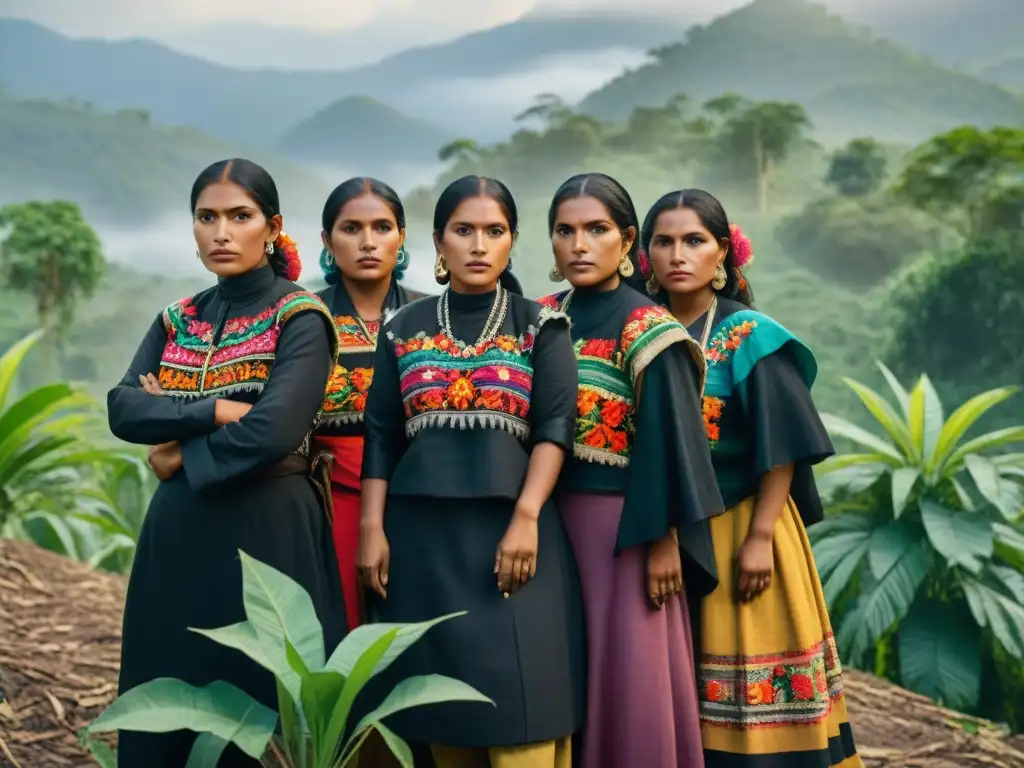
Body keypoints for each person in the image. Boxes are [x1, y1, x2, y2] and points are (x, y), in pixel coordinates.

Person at [107, 158, 347, 767]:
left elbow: (275, 431)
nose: (221, 232)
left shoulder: (301, 317)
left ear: (272, 228)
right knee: (170, 688)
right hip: (179, 536)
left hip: (268, 532)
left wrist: (176, 451)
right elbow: (123, 409)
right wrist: (214, 412)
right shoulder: (176, 319)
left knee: (257, 704)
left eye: (239, 217)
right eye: (207, 217)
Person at [357, 175, 585, 768]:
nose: (479, 245)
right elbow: (381, 432)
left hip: (513, 542)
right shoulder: (400, 328)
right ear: (438, 242)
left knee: (520, 716)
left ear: (512, 241)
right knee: (441, 720)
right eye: (464, 231)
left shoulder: (542, 326)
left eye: (494, 231)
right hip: (420, 546)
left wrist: (527, 516)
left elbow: (555, 427)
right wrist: (372, 528)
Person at [641, 188, 862, 768]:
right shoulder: (639, 332)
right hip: (658, 530)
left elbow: (782, 445)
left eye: (694, 241)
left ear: (723, 256)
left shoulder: (751, 336)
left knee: (750, 686)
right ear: (645, 256)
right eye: (663, 242)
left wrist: (761, 537)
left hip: (742, 523)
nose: (677, 255)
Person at [538, 172, 724, 768]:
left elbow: (673, 444)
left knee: (626, 682)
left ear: (627, 240)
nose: (579, 245)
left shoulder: (650, 329)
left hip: (623, 532)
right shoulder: (537, 317)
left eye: (597, 230)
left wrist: (666, 537)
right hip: (541, 526)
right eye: (565, 231)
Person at [314, 177, 425, 632]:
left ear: (401, 237)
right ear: (327, 241)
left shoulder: (432, 315)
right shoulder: (303, 318)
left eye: (382, 227)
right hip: (327, 503)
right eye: (351, 228)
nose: (367, 242)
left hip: (417, 502)